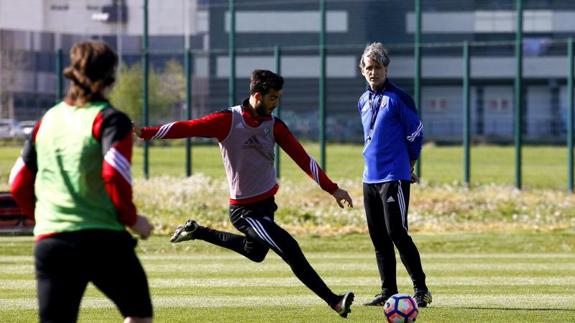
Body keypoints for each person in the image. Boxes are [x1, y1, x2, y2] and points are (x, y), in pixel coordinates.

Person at [136, 69, 355, 318]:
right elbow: (187, 127)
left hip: (266, 206)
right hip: (245, 211)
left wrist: (333, 189)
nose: (276, 103)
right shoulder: (228, 120)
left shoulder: (274, 126)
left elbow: (304, 159)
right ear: (258, 96)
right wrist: (145, 132)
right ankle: (335, 301)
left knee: (256, 252)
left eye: (278, 98)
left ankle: (198, 231)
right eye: (273, 98)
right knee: (289, 247)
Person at [9, 41, 154, 323]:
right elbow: (113, 174)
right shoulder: (111, 120)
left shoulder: (47, 120)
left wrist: (45, 219)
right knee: (138, 315)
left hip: (52, 243)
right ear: (111, 77)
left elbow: (17, 182)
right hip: (102, 240)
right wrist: (132, 219)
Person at [357, 42, 432, 307]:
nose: (373, 72)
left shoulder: (399, 98)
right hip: (370, 178)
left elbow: (416, 133)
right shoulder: (363, 100)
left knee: (397, 233)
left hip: (394, 177)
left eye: (378, 67)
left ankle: (421, 289)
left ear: (386, 69)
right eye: (369, 67)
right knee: (378, 238)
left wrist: (408, 165)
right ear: (362, 70)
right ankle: (388, 290)